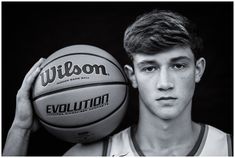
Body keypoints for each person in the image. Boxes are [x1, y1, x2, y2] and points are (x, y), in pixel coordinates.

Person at [3, 9, 232, 156]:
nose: (165, 83)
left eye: (178, 65)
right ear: (131, 75)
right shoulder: (90, 155)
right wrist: (20, 129)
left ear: (198, 70)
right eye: (149, 68)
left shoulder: (228, 149)